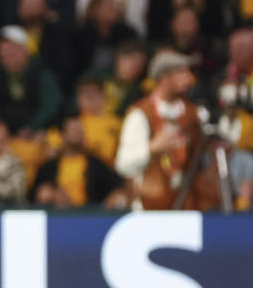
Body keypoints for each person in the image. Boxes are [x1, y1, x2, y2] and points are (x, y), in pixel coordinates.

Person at [115, 50, 215, 210]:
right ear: (164, 78)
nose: (189, 78)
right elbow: (123, 164)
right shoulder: (141, 114)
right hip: (150, 207)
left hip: (188, 204)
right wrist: (152, 148)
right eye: (181, 72)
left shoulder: (194, 113)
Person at [33, 117, 126, 208]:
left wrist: (111, 199)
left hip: (89, 215)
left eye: (81, 130)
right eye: (74, 130)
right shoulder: (49, 167)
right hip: (58, 215)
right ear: (62, 135)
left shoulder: (96, 164)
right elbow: (35, 194)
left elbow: (116, 187)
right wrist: (52, 194)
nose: (79, 134)